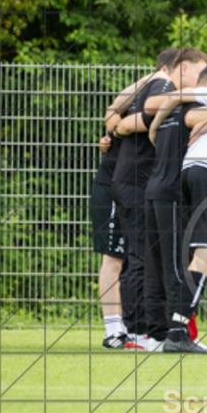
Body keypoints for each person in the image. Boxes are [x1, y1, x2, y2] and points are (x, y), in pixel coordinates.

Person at [142, 48, 207, 351]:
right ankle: (177, 334)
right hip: (171, 192)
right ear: (183, 69)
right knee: (176, 267)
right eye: (201, 72)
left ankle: (159, 333)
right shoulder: (186, 106)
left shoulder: (169, 107)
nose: (205, 81)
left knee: (160, 265)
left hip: (157, 188)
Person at [106, 48, 177, 350]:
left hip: (130, 181)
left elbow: (115, 116)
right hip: (135, 182)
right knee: (139, 256)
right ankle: (137, 331)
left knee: (140, 255)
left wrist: (118, 127)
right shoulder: (162, 85)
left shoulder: (150, 85)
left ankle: (142, 329)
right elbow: (134, 119)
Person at [91, 132, 127, 349]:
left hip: (141, 187)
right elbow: (113, 116)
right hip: (113, 185)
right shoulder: (139, 101)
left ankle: (134, 326)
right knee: (114, 258)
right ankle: (113, 330)